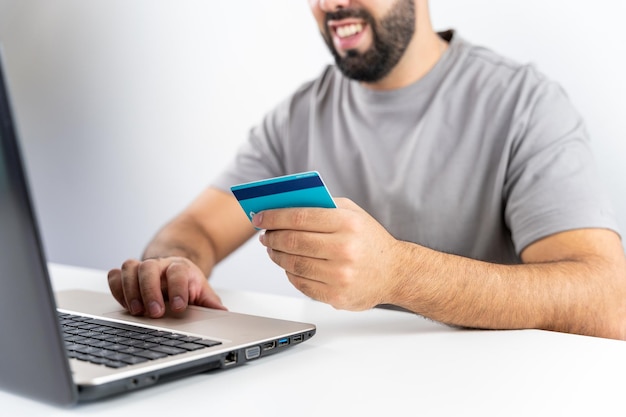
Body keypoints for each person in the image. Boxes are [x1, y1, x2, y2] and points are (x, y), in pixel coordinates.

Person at [107, 0, 626, 340]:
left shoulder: (524, 104)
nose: (331, 4)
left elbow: (607, 301)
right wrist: (172, 267)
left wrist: (398, 274)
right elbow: (197, 227)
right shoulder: (299, 116)